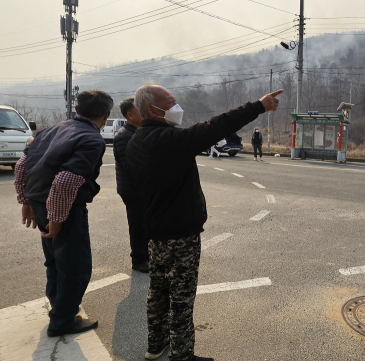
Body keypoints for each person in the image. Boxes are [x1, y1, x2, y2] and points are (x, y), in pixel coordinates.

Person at [126, 84, 282, 361]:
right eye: (171, 101)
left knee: (158, 292)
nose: (177, 106)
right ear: (152, 109)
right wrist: (259, 106)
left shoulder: (137, 140)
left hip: (155, 232)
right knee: (181, 298)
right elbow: (216, 126)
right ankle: (182, 355)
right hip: (180, 234)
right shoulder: (170, 140)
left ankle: (155, 345)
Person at [14, 90, 111, 337]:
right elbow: (67, 181)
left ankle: (60, 308)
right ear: (107, 115)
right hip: (63, 208)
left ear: (77, 110)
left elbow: (22, 166)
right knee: (75, 266)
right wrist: (57, 219)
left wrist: (26, 201)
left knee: (55, 261)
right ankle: (63, 321)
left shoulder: (49, 131)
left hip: (39, 201)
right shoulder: (92, 139)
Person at [113, 98, 149, 273]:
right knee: (138, 225)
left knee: (147, 223)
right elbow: (131, 166)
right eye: (140, 109)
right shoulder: (124, 136)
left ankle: (147, 255)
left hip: (144, 188)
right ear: (130, 114)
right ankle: (139, 260)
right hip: (133, 190)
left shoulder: (139, 132)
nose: (145, 112)